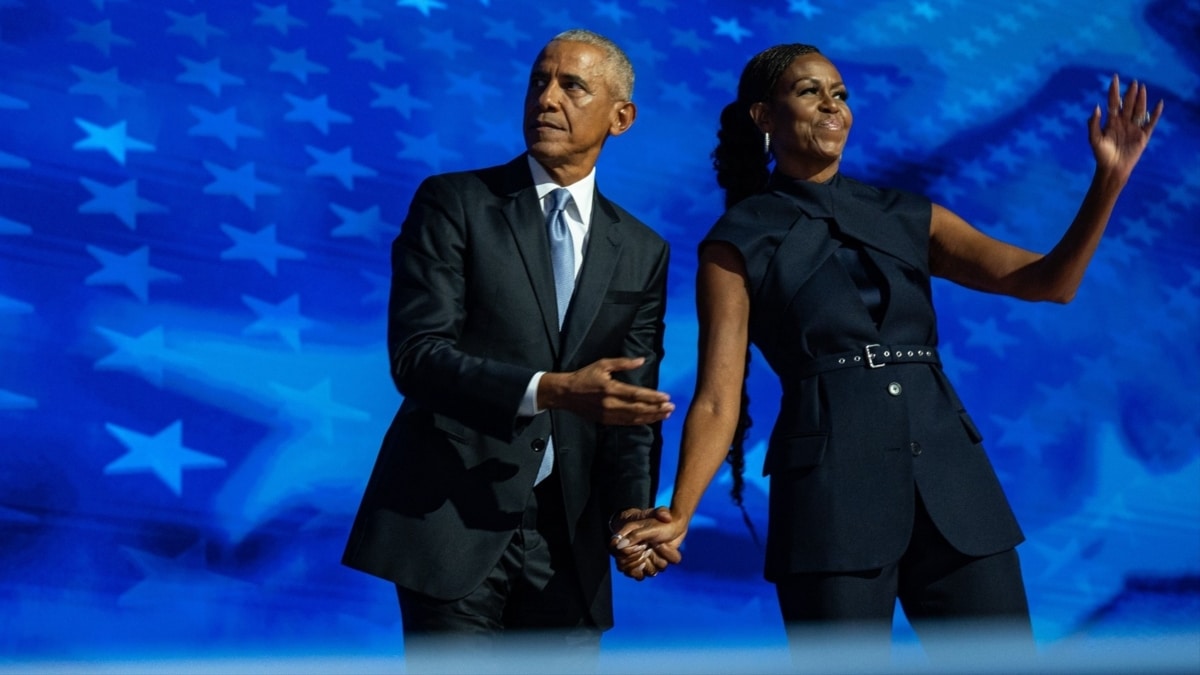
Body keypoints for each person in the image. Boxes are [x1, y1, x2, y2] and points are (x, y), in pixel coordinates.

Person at [614, 43, 1162, 662]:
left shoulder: (905, 213)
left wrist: (1107, 183)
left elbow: (1048, 283)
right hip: (829, 500)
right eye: (810, 91)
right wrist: (681, 510)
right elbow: (718, 398)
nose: (831, 105)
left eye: (840, 94)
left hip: (954, 489)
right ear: (764, 117)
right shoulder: (737, 241)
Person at [342, 29, 677, 670]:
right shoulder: (455, 202)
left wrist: (630, 516)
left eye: (572, 85)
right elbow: (417, 355)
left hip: (567, 546)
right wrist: (550, 388)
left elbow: (629, 411)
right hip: (451, 524)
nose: (547, 98)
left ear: (621, 117)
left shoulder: (642, 249)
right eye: (538, 81)